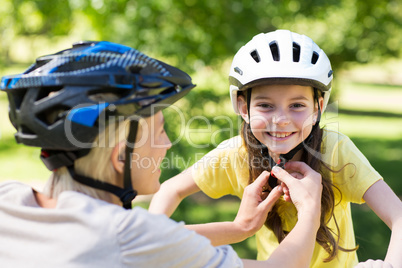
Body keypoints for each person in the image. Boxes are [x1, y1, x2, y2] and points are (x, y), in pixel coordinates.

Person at [0, 40, 325, 267]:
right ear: (120, 156)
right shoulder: (129, 237)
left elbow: (156, 236)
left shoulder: (11, 200)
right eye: (158, 131)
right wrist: (309, 209)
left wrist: (239, 228)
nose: (168, 144)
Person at [149, 30, 402, 267]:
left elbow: (398, 217)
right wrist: (150, 236)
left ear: (318, 108)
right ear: (243, 108)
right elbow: (170, 190)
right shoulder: (237, 154)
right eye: (266, 105)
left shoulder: (335, 150)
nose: (281, 119)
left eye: (297, 105)